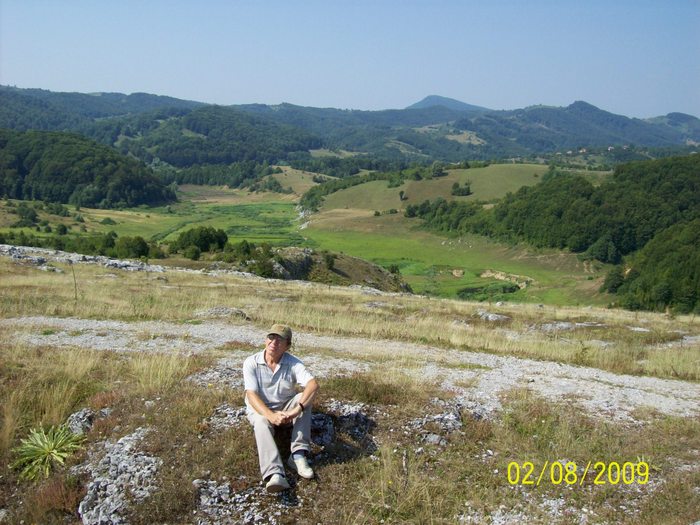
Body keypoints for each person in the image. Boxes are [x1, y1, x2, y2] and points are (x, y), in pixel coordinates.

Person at [243, 324, 319, 492]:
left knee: (304, 398)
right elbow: (251, 395)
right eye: (271, 337)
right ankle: (275, 474)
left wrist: (296, 409)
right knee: (261, 422)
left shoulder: (293, 363)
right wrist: (270, 415)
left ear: (288, 345)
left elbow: (313, 385)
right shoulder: (251, 362)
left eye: (279, 340)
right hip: (261, 409)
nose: (273, 342)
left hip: (285, 408)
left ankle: (298, 454)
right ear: (265, 340)